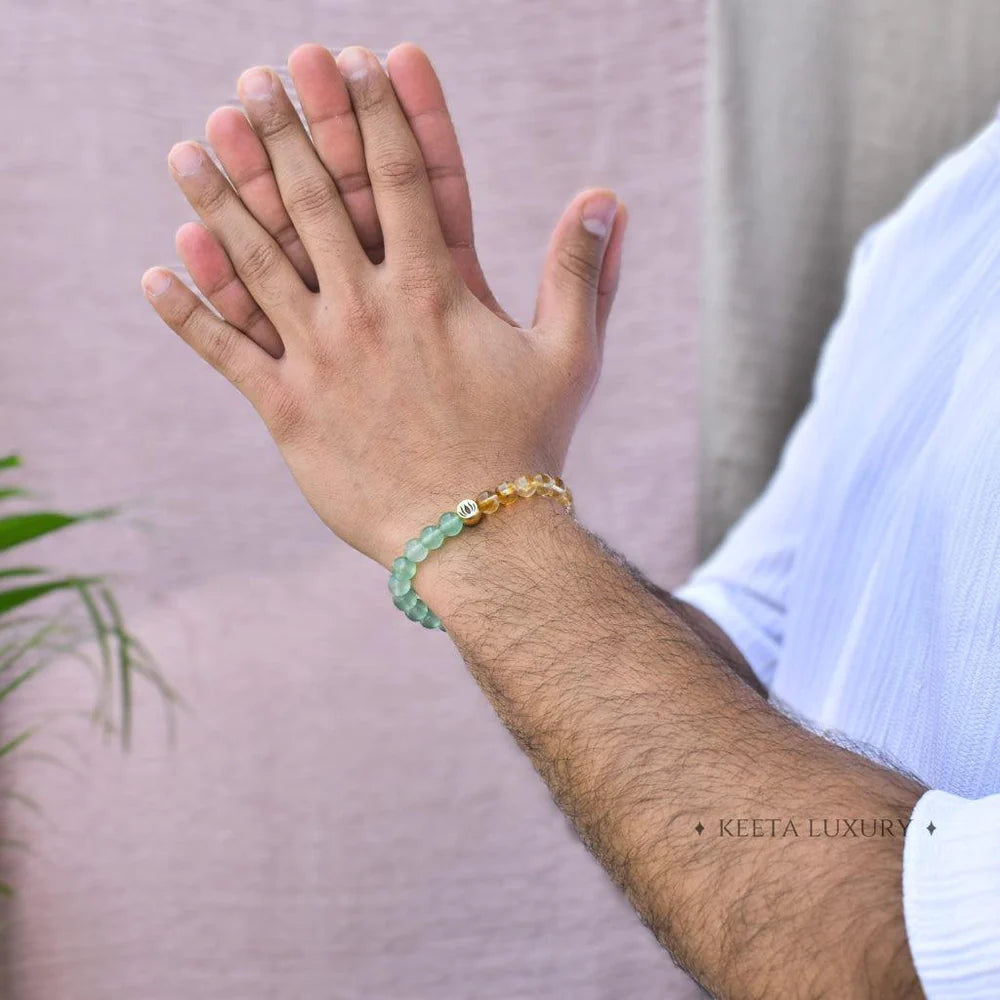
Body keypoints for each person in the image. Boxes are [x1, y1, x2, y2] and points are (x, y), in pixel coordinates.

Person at [140, 43, 1000, 998]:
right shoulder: (955, 214)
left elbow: (901, 959)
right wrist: (440, 434)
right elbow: (754, 650)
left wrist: (475, 515)